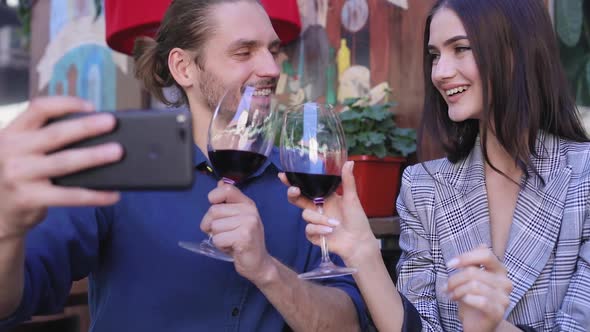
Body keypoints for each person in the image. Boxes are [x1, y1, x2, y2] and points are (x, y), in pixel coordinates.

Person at [0, 0, 368, 331]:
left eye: (273, 50)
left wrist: (267, 270)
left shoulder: (302, 179)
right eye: (244, 51)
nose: (271, 68)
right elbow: (11, 301)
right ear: (184, 67)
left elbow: (347, 324)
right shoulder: (117, 165)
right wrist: (6, 228)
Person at [283, 0, 590, 331]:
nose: (440, 72)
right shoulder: (423, 186)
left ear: (516, 50)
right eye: (435, 55)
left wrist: (493, 326)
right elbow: (420, 325)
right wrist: (363, 253)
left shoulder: (582, 177)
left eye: (461, 48)